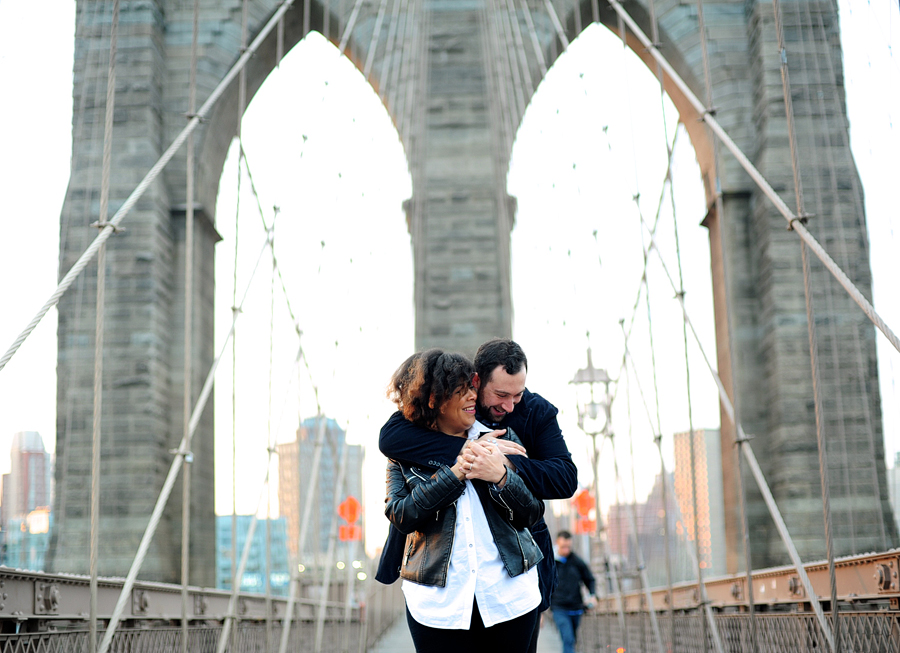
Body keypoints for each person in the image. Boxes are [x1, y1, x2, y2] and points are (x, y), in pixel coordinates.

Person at [377, 338, 578, 652]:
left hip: (517, 573)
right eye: (500, 394)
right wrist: (466, 454)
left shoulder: (534, 413)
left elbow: (564, 480)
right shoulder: (414, 429)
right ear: (475, 380)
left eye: (518, 394)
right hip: (438, 597)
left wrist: (505, 465)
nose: (510, 405)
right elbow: (389, 441)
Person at [550, 530, 597, 653]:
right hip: (559, 608)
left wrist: (592, 595)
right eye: (563, 547)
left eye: (568, 547)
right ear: (557, 543)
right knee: (568, 638)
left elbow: (590, 579)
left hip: (576, 608)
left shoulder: (576, 561)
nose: (566, 550)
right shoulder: (550, 563)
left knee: (572, 639)